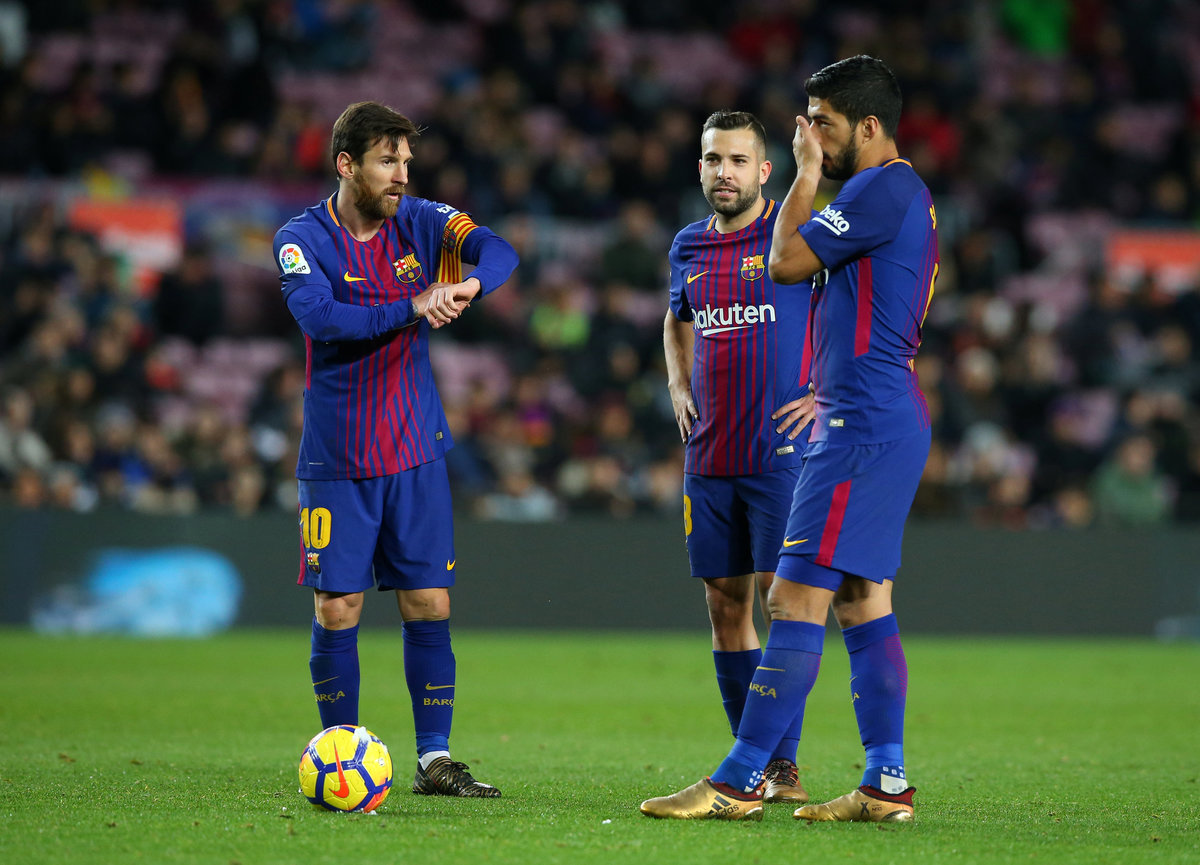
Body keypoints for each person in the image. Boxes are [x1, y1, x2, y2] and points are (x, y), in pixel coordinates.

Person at [641, 55, 938, 823]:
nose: (814, 138)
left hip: (858, 423)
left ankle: (741, 778)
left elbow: (782, 261)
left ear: (867, 126)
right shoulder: (894, 194)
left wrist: (803, 173)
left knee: (791, 594)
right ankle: (886, 783)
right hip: (877, 416)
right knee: (860, 600)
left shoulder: (880, 188)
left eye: (824, 126)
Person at [273, 101, 518, 798]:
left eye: (407, 161)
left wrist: (468, 284)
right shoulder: (300, 238)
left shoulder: (422, 221)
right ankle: (338, 752)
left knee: (429, 602)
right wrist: (413, 305)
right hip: (337, 456)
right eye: (388, 161)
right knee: (337, 608)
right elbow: (322, 318)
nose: (403, 174)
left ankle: (435, 759)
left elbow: (500, 251)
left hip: (414, 448)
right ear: (346, 164)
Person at [662, 109, 815, 806]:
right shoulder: (688, 246)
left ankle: (777, 766)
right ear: (700, 167)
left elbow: (858, 310)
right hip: (710, 453)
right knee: (726, 606)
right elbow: (676, 319)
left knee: (784, 603)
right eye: (713, 159)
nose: (724, 172)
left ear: (764, 171)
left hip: (781, 454)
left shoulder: (795, 234)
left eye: (737, 160)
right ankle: (758, 770)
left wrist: (824, 390)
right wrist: (677, 383)